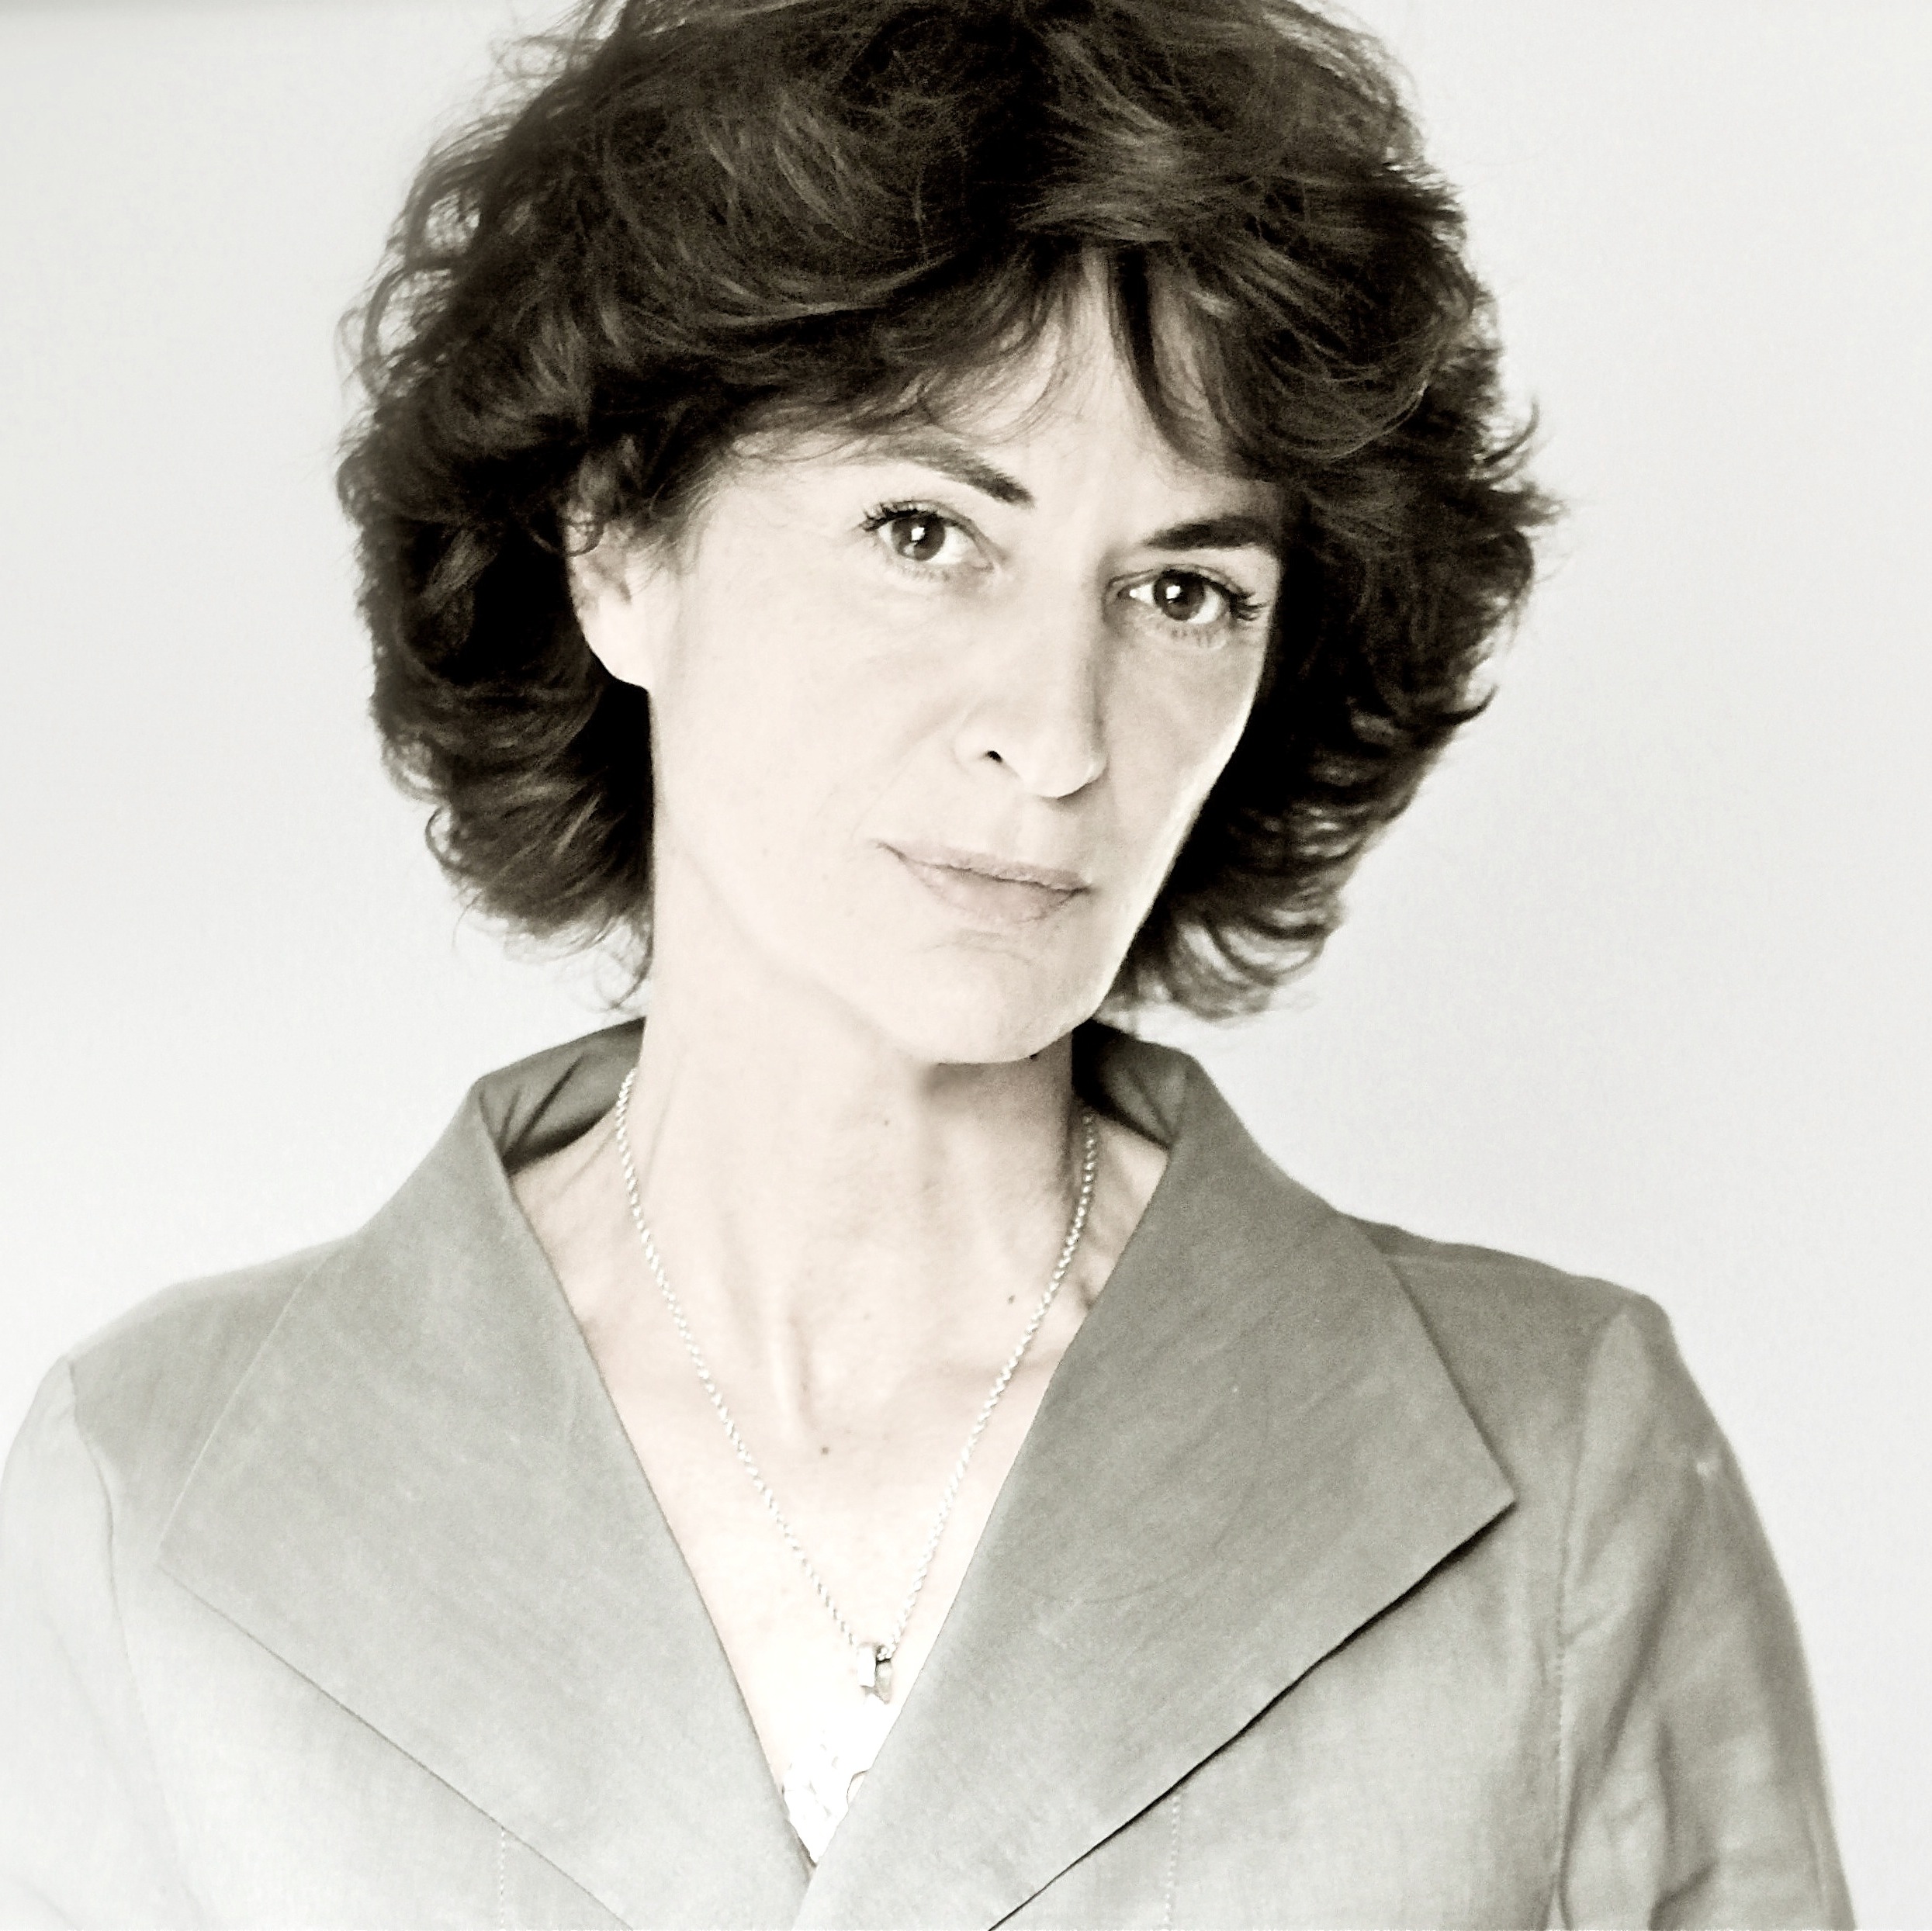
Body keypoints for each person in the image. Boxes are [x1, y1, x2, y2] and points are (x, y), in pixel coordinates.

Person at [0, 0, 1851, 1922]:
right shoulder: (153, 1495)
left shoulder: (1561, 1466)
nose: (1056, 732)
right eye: (924, 530)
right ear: (619, 543)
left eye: (1185, 590)